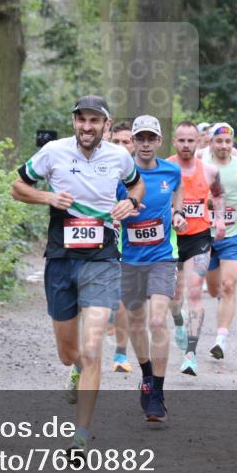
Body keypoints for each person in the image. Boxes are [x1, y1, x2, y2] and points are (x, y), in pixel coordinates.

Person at [11, 95, 145, 455]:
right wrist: (47, 198)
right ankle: (75, 369)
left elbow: (136, 184)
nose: (87, 127)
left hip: (102, 259)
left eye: (94, 121)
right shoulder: (53, 152)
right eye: (81, 120)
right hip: (61, 260)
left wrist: (130, 202)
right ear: (74, 122)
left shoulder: (118, 156)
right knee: (69, 352)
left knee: (92, 346)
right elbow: (17, 187)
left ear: (106, 124)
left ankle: (80, 437)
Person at [117, 115, 187, 422]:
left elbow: (179, 189)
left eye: (151, 138)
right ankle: (146, 374)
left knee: (157, 321)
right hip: (129, 260)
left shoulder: (171, 171)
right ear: (133, 141)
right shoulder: (120, 175)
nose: (145, 144)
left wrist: (179, 212)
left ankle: (157, 391)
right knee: (136, 322)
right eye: (140, 138)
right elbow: (105, 207)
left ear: (159, 141)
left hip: (162, 257)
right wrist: (119, 213)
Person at [167, 121, 225, 376]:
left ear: (198, 142)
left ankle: (190, 354)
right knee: (173, 298)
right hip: (170, 239)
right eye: (181, 140)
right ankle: (178, 320)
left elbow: (219, 194)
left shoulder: (209, 171)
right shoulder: (164, 168)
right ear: (174, 142)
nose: (186, 145)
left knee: (194, 292)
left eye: (191, 140)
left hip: (198, 238)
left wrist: (219, 219)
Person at [201, 123, 237, 360]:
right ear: (211, 142)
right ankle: (221, 298)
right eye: (219, 141)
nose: (224, 146)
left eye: (228, 142)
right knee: (214, 290)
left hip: (233, 235)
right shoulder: (201, 162)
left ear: (232, 144)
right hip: (206, 235)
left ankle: (221, 339)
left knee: (229, 285)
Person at [106, 120, 134, 373]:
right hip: (98, 242)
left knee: (123, 299)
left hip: (129, 245)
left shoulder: (140, 176)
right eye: (116, 141)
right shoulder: (99, 169)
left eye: (126, 141)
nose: (121, 146)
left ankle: (120, 353)